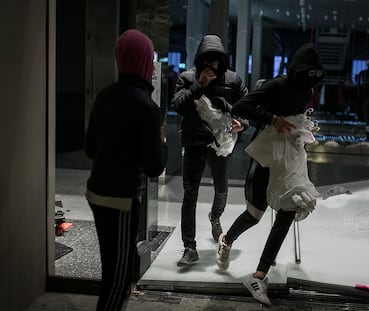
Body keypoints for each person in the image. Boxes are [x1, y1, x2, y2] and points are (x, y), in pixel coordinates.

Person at [215, 43, 325, 305]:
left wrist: (302, 128)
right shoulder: (277, 86)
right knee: (254, 215)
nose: (311, 82)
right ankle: (227, 239)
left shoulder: (307, 91)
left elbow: (297, 117)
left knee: (288, 211)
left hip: (292, 156)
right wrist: (272, 119)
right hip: (266, 157)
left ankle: (259, 275)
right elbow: (240, 107)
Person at [84, 29, 168, 311]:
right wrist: (161, 142)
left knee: (115, 265)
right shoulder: (147, 107)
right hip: (120, 199)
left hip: (96, 192)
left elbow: (89, 148)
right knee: (118, 279)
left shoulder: (106, 95)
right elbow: (156, 166)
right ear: (146, 62)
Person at [173, 34, 248, 266]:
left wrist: (242, 122)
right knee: (189, 195)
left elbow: (248, 104)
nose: (212, 66)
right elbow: (179, 107)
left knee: (221, 190)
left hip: (221, 144)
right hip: (194, 143)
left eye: (216, 61)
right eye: (207, 60)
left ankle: (215, 217)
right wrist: (198, 85)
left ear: (222, 61)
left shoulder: (233, 79)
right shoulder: (187, 77)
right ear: (200, 60)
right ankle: (189, 247)